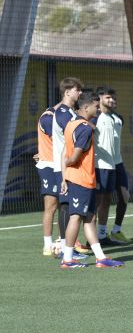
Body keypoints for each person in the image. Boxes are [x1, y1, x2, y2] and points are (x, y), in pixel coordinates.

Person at [59, 91, 124, 269]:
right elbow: (72, 158)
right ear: (86, 107)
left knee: (89, 218)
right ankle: (67, 259)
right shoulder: (86, 128)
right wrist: (68, 165)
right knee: (76, 217)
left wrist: (64, 177)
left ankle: (100, 257)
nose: (98, 109)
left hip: (78, 178)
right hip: (81, 179)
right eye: (96, 106)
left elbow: (65, 152)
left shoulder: (71, 124)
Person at [49, 77, 91, 257]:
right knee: (66, 206)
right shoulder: (64, 112)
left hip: (71, 166)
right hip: (65, 166)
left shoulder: (70, 112)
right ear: (67, 92)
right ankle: (64, 246)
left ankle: (68, 246)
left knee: (69, 207)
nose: (80, 93)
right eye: (77, 89)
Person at [93, 86, 121, 246]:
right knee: (96, 202)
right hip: (98, 166)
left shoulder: (113, 118)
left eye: (112, 97)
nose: (111, 100)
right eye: (108, 97)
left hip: (111, 166)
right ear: (100, 98)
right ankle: (90, 239)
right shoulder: (95, 117)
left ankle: (102, 235)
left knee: (107, 200)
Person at [35, 101, 64, 257]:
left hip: (61, 166)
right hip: (49, 166)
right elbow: (59, 142)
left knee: (63, 206)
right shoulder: (48, 118)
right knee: (51, 205)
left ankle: (62, 243)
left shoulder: (61, 117)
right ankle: (47, 245)